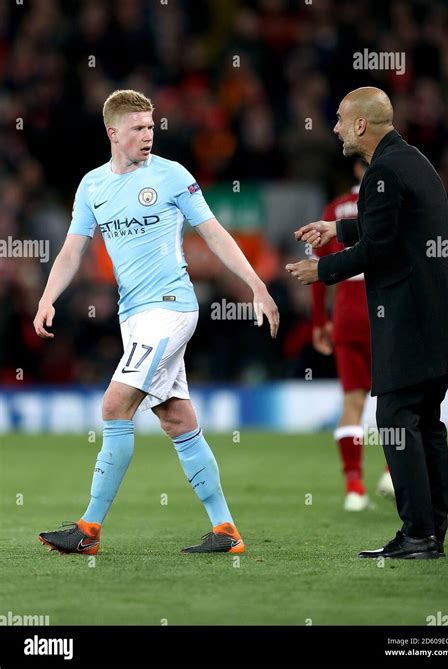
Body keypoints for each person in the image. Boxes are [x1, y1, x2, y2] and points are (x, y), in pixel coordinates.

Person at [33, 89, 279, 556]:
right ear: (113, 133)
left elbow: (214, 233)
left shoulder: (171, 176)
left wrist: (256, 284)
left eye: (151, 127)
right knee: (175, 417)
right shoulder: (92, 186)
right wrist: (48, 298)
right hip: (134, 316)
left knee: (114, 404)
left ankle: (88, 529)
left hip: (170, 308)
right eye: (139, 128)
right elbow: (72, 249)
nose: (149, 135)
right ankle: (226, 530)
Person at [286, 87, 448, 559]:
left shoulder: (382, 171)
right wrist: (339, 229)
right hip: (441, 313)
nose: (333, 129)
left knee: (394, 418)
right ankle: (430, 534)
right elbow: (398, 227)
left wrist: (322, 269)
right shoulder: (411, 160)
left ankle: (416, 534)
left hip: (412, 316)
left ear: (360, 125)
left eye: (339, 120)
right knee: (426, 421)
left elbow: (382, 248)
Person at [311, 160, 394, 511]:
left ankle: (354, 490)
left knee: (352, 404)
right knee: (396, 399)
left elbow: (317, 269)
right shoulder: (389, 200)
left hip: (346, 312)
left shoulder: (334, 209)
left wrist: (319, 322)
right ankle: (392, 474)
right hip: (386, 309)